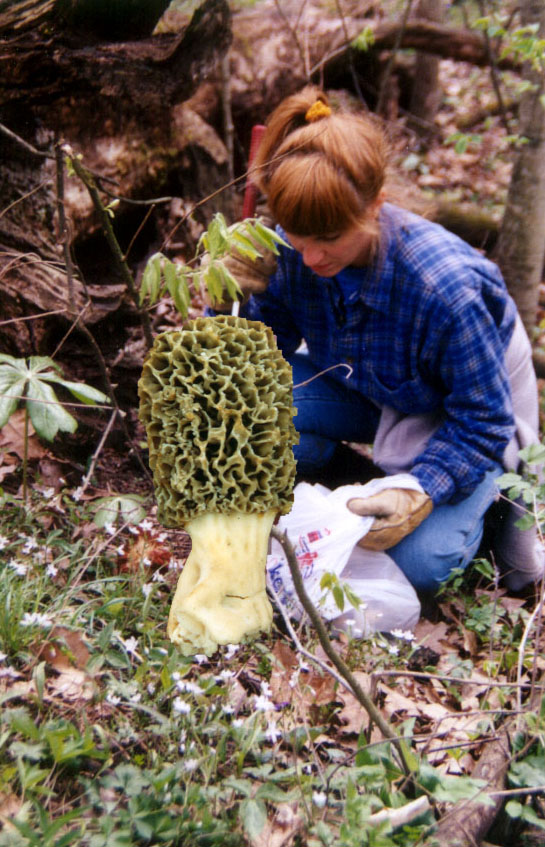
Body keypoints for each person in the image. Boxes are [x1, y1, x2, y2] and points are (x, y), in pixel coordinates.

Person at [219, 85, 544, 595]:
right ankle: (357, 485)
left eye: (328, 240)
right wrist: (231, 298)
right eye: (297, 239)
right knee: (252, 413)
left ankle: (482, 508)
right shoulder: (292, 248)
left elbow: (484, 419)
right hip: (373, 389)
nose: (311, 259)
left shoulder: (445, 290)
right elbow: (259, 360)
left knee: (423, 563)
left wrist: (420, 489)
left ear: (375, 207)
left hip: (457, 415)